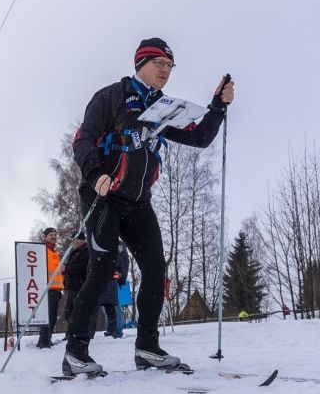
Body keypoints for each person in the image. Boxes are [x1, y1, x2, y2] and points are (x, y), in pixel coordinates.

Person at [64, 37, 234, 376]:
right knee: (102, 269)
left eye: (170, 66)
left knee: (156, 269)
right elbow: (82, 139)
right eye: (159, 63)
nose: (165, 70)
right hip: (104, 196)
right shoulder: (112, 97)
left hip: (138, 202)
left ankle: (147, 348)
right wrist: (94, 174)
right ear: (140, 63)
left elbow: (199, 137)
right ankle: (75, 353)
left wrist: (217, 106)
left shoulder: (164, 107)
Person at [36, 227, 62, 348]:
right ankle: (44, 341)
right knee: (48, 317)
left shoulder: (54, 252)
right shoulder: (42, 251)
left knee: (52, 317)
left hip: (56, 289)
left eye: (55, 235)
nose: (54, 237)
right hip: (48, 289)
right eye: (51, 235)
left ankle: (45, 339)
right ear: (45, 237)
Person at [63, 232, 89, 321]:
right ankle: (71, 329)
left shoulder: (87, 251)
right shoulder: (74, 252)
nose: (72, 242)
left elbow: (84, 268)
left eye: (74, 240)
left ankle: (78, 329)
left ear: (80, 240)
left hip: (80, 287)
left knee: (78, 313)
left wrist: (66, 268)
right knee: (68, 314)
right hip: (72, 287)